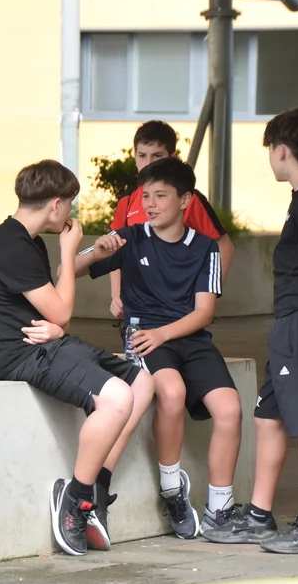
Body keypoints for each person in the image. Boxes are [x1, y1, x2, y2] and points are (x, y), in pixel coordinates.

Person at [0, 160, 155, 557]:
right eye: (69, 203)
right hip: (17, 356)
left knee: (142, 381)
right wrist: (69, 253)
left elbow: (53, 307)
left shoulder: (26, 240)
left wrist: (57, 325)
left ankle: (97, 487)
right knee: (117, 398)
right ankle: (76, 499)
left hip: (43, 344)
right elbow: (62, 310)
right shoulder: (10, 246)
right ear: (56, 205)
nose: (71, 211)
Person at [77, 157, 242, 541]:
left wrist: (165, 334)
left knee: (230, 409)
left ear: (185, 200)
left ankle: (220, 510)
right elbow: (67, 270)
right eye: (146, 196)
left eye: (160, 196)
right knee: (172, 391)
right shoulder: (130, 237)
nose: (150, 204)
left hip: (187, 338)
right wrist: (94, 253)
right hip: (143, 334)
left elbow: (204, 313)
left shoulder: (206, 248)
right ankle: (172, 490)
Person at [203, 108, 298, 554]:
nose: (270, 157)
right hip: (292, 322)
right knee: (268, 417)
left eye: (270, 150)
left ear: (282, 151)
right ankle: (259, 515)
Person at [106, 121, 234, 320]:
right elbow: (115, 250)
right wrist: (117, 295)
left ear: (172, 157)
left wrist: (206, 296)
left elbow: (224, 246)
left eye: (157, 156)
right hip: (139, 309)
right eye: (142, 155)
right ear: (134, 156)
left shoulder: (189, 200)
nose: (149, 163)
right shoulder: (126, 201)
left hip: (178, 309)